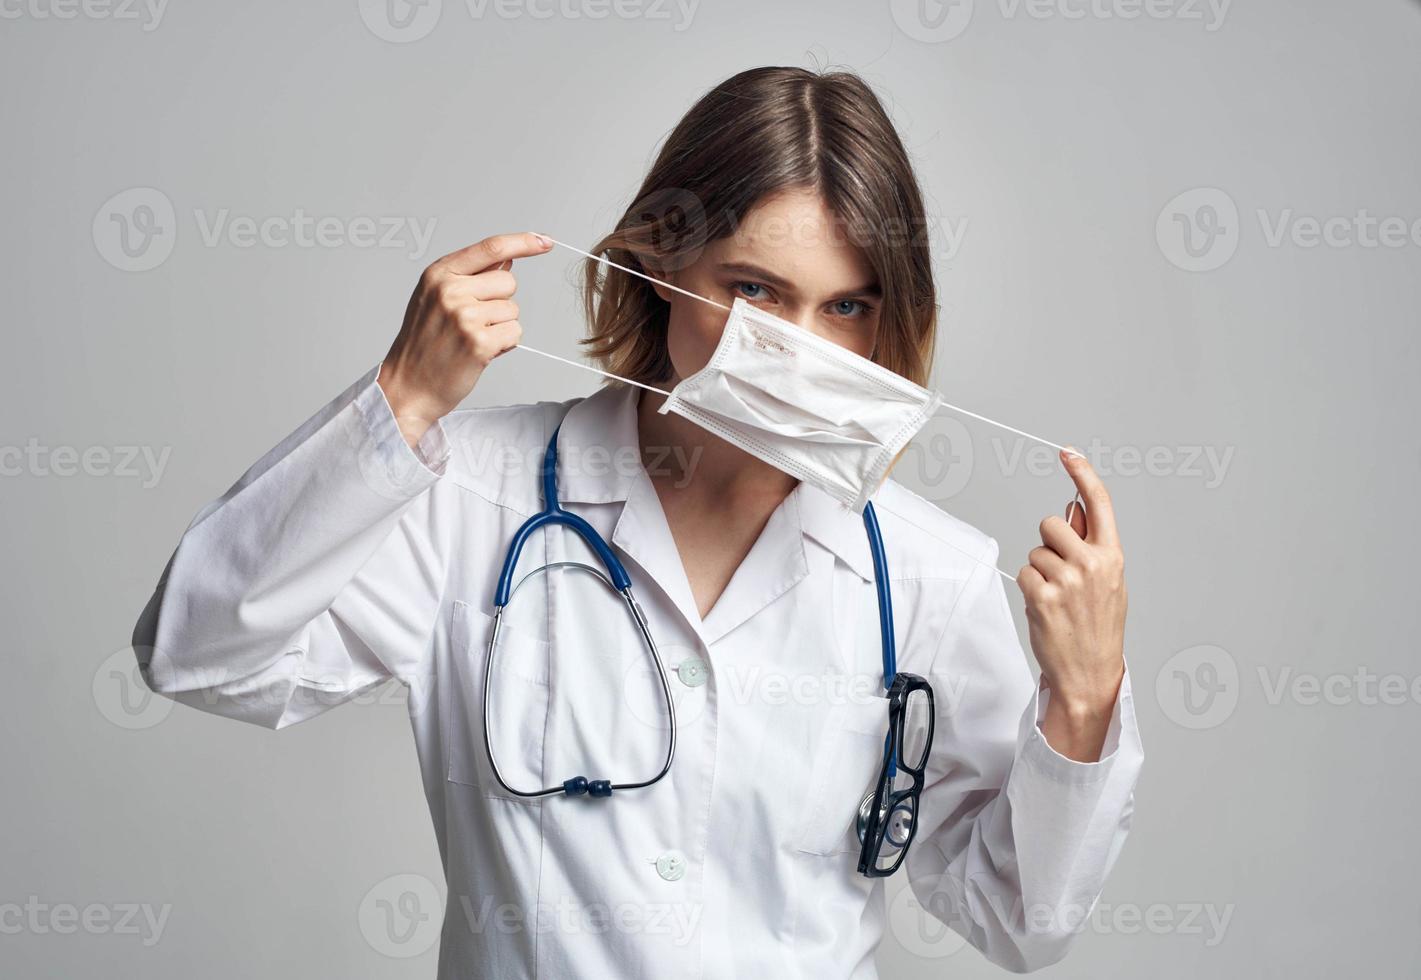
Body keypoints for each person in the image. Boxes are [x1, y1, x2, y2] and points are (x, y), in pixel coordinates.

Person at [133, 66, 1141, 977]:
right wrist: (397, 402)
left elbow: (1020, 921)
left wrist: (1084, 698)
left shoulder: (926, 572)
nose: (796, 348)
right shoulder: (473, 494)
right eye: (753, 290)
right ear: (658, 265)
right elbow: (197, 651)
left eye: (844, 308)